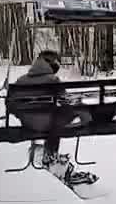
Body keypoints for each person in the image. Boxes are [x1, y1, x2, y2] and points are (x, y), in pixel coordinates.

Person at [9, 50, 93, 183]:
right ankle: (50, 156)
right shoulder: (52, 80)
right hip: (49, 124)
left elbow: (11, 105)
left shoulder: (21, 80)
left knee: (55, 116)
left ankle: (49, 155)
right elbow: (66, 100)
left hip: (28, 124)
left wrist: (24, 115)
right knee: (64, 115)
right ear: (49, 63)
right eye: (56, 62)